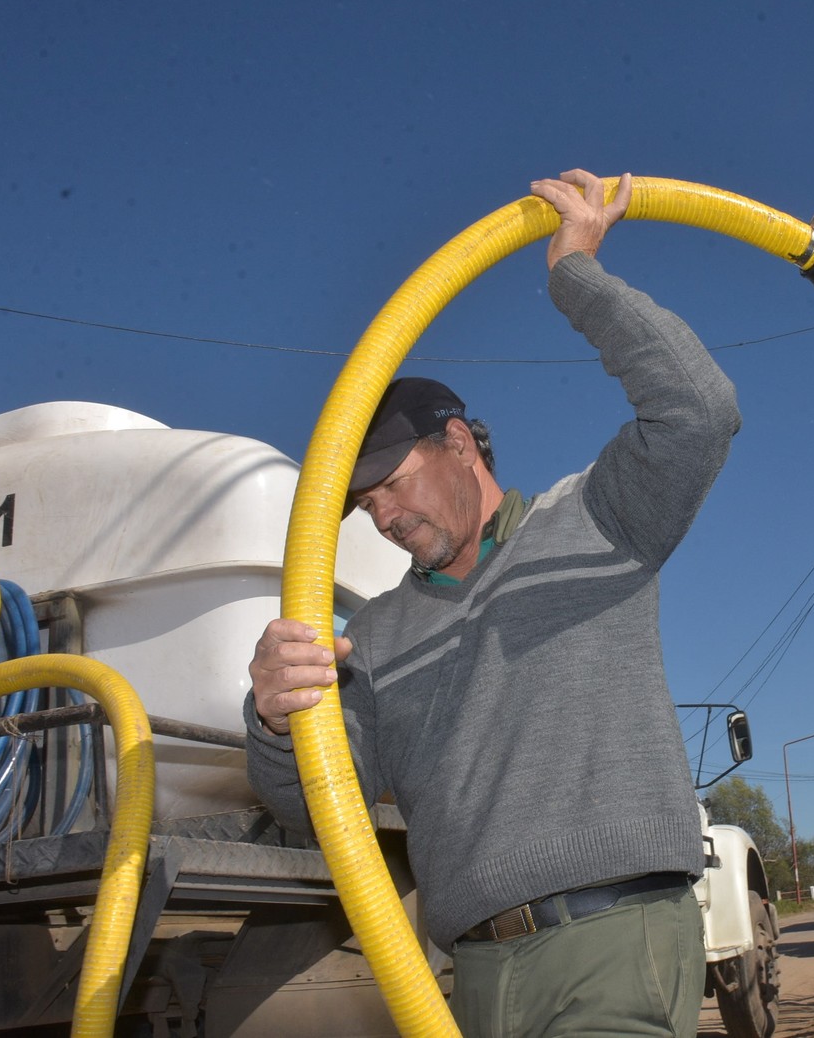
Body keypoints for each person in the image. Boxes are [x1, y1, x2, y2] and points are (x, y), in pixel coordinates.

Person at [243, 168, 740, 1037]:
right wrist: (275, 720)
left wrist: (576, 276)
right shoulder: (378, 635)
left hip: (612, 936)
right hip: (473, 973)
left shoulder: (596, 520)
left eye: (394, 486)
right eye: (365, 507)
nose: (385, 518)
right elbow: (319, 804)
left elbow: (699, 411)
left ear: (461, 443)